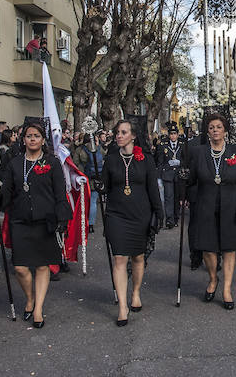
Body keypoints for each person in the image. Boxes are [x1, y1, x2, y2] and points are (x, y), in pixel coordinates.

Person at [0, 122, 71, 328]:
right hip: (20, 221)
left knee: (41, 265)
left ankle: (38, 308)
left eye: (36, 136)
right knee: (20, 268)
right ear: (23, 139)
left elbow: (60, 193)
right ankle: (29, 298)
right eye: (29, 136)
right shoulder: (15, 163)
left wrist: (62, 218)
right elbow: (7, 194)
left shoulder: (52, 163)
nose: (32, 139)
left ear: (43, 139)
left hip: (44, 221)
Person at [185, 114, 236, 310]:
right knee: (208, 248)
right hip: (206, 205)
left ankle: (226, 288)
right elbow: (191, 181)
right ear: (207, 131)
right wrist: (185, 183)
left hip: (231, 206)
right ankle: (213, 278)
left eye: (218, 127)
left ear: (225, 130)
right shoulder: (198, 152)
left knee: (229, 248)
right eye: (211, 127)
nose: (215, 130)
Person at [97, 120, 162, 326]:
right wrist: (99, 185)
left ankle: (135, 292)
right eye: (117, 132)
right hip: (116, 214)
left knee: (138, 257)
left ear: (133, 136)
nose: (118, 135)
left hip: (140, 214)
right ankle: (122, 306)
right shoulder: (111, 159)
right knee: (119, 259)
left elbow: (153, 189)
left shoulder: (145, 159)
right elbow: (105, 186)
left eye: (123, 132)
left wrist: (159, 213)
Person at [155, 127, 185, 229]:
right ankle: (169, 220)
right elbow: (159, 161)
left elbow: (185, 158)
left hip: (179, 174)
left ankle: (176, 218)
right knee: (168, 197)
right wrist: (159, 176)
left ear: (177, 135)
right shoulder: (163, 145)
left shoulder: (182, 145)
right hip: (167, 174)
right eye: (171, 134)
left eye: (174, 134)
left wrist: (181, 164)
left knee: (177, 197)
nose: (173, 136)